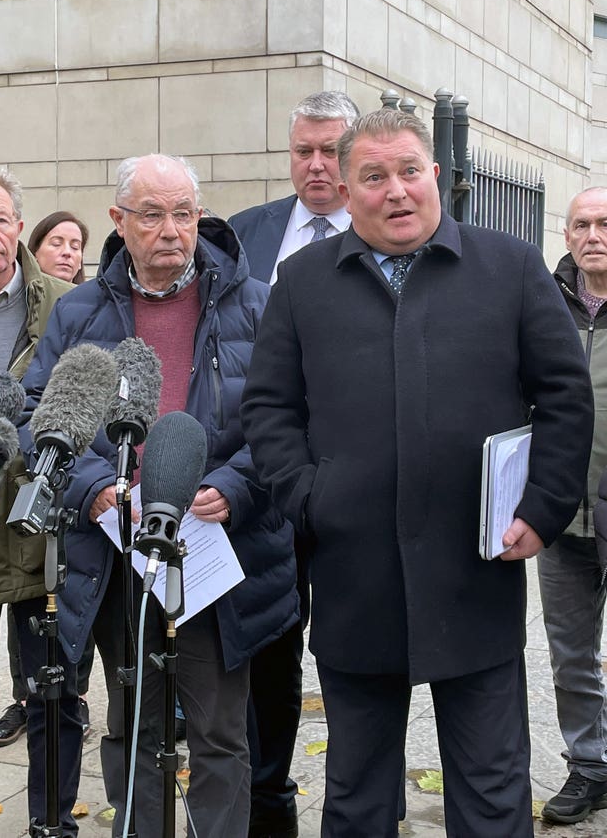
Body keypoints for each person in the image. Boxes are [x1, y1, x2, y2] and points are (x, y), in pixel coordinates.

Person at [240, 109, 595, 838]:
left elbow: (564, 394)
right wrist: (310, 498)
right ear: (345, 188)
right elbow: (270, 407)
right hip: (354, 576)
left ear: (435, 175)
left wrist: (544, 504)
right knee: (357, 795)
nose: (396, 191)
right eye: (373, 176)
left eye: (409, 171)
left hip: (477, 570)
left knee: (493, 791)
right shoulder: (303, 282)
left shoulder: (509, 266)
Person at [19, 153, 299, 838]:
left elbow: (287, 417)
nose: (171, 229)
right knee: (135, 722)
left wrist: (231, 488)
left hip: (213, 552)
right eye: (152, 214)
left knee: (218, 731)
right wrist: (91, 490)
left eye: (184, 213)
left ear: (199, 217)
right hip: (118, 557)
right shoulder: (82, 311)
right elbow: (38, 414)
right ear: (119, 221)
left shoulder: (255, 303)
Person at [229, 89, 359, 838]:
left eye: (330, 150)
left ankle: (365, 797)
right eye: (304, 150)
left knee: (351, 651)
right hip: (262, 480)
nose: (317, 165)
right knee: (269, 650)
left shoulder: (387, 233)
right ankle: (267, 800)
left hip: (348, 482)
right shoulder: (249, 233)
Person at [0, 162, 80, 837]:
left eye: (0, 218)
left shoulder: (71, 304)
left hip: (47, 539)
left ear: (19, 226)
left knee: (54, 700)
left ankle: (52, 825)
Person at [0, 210, 94, 748]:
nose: (70, 251)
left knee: (53, 634)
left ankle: (65, 696)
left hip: (55, 510)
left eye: (78, 244)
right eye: (58, 241)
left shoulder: (76, 306)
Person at [537, 185, 607, 824]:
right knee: (571, 653)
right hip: (561, 515)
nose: (593, 235)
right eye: (581, 224)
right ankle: (590, 766)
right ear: (566, 238)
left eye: (605, 223)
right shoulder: (546, 307)